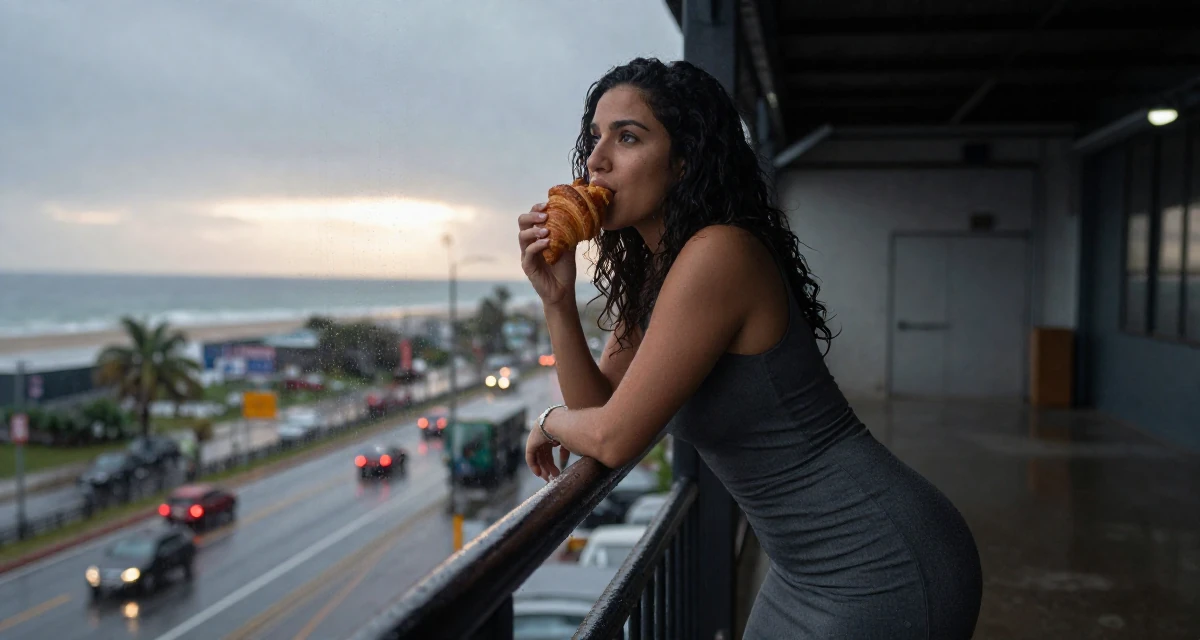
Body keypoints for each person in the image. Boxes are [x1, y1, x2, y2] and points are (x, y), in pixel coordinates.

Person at [518, 58, 982, 639]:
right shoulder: (659, 278)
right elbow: (601, 412)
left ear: (684, 160)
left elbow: (610, 436)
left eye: (628, 137)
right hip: (801, 568)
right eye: (595, 137)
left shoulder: (718, 254)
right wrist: (557, 301)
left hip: (879, 560)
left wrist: (549, 420)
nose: (596, 160)